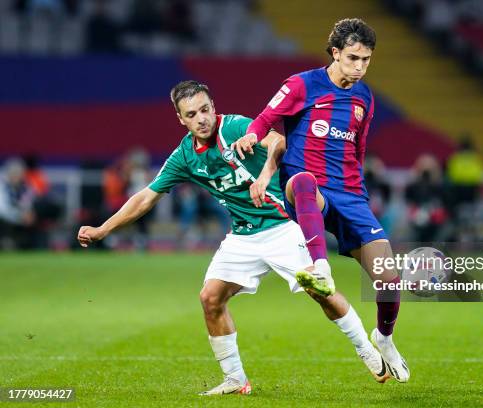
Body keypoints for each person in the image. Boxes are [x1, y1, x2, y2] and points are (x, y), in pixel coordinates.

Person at [77, 80, 389, 396]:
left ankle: (367, 349)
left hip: (284, 223)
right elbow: (146, 197)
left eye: (205, 109)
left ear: (214, 107)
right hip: (243, 236)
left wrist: (266, 174)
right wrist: (103, 229)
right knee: (210, 298)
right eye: (192, 114)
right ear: (180, 119)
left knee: (319, 289)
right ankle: (236, 379)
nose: (201, 118)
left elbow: (279, 142)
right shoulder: (185, 156)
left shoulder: (237, 126)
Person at [233, 18, 409, 383]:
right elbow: (266, 119)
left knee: (389, 281)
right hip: (305, 189)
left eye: (366, 60)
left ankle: (385, 338)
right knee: (305, 181)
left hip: (350, 195)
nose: (360, 67)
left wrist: (358, 195)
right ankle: (320, 267)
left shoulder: (364, 98)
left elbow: (358, 150)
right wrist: (252, 136)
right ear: (334, 53)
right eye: (353, 58)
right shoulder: (302, 84)